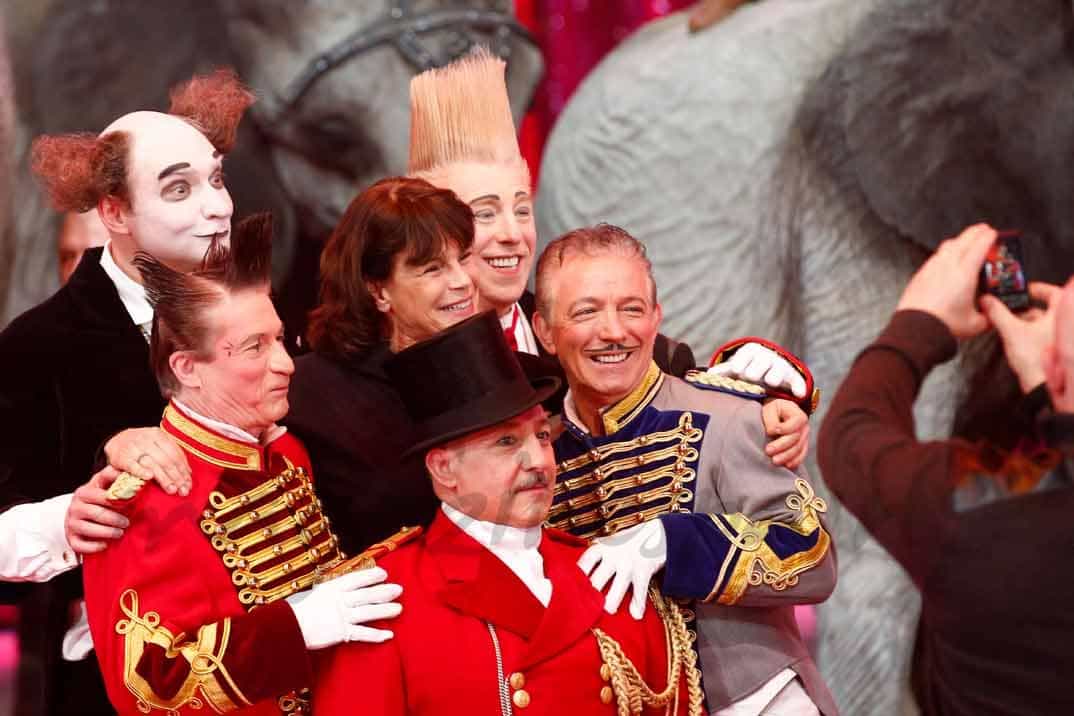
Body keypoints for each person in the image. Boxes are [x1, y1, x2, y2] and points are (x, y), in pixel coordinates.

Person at [284, 177, 809, 557]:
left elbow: (639, 363)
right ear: (378, 289)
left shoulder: (514, 371)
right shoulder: (310, 393)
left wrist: (775, 404)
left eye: (464, 258)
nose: (463, 281)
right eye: (431, 269)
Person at [0, 68, 252, 716]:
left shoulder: (263, 316)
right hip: (110, 684)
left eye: (217, 179)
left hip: (258, 665)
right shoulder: (38, 345)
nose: (217, 205)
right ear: (113, 211)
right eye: (180, 188)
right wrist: (64, 520)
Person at [83, 214, 403, 716]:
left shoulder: (286, 453)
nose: (286, 364)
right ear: (187, 368)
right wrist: (292, 631)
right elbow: (146, 683)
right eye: (255, 347)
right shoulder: (143, 496)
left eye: (281, 339)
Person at [314, 310, 704, 715]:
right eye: (505, 442)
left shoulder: (606, 573)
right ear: (444, 469)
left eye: (541, 436)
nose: (538, 460)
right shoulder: (382, 601)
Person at [532, 224, 838, 715]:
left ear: (656, 318)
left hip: (754, 703)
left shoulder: (728, 415)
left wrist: (674, 541)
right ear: (545, 330)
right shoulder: (539, 451)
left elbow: (813, 557)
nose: (613, 331)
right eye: (586, 311)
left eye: (631, 308)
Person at [406, 48, 812, 406]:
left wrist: (769, 396)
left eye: (523, 209)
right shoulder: (397, 359)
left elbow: (684, 387)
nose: (514, 234)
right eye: (485, 214)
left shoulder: (569, 321)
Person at [818, 223, 1073, 714]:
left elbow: (851, 438)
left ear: (1060, 372)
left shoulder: (972, 506)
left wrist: (918, 321)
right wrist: (1050, 393)